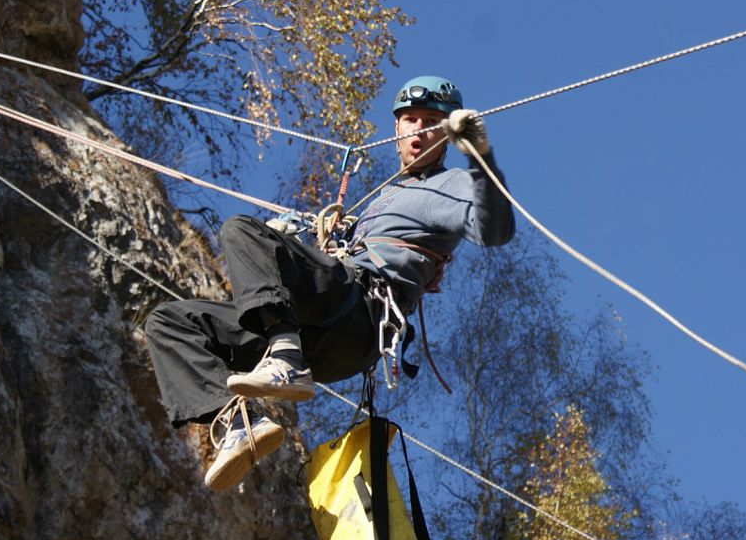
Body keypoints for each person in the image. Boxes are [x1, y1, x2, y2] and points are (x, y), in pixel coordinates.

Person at [144, 76, 515, 491]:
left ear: (446, 133)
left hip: (356, 314)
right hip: (325, 337)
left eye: (432, 121)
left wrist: (481, 158)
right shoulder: (383, 199)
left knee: (240, 230)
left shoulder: (447, 185)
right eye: (411, 120)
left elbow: (494, 229)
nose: (420, 130)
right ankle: (236, 424)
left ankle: (284, 359)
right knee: (170, 322)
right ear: (396, 130)